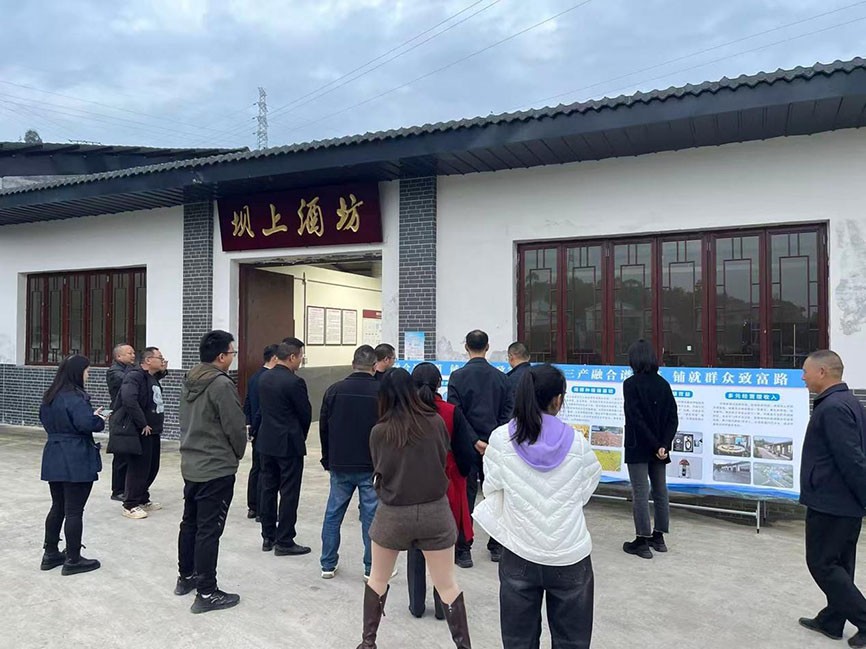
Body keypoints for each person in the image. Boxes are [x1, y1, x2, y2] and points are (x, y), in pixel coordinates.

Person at [473, 364, 601, 649]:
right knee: (572, 642)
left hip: (519, 552)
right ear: (557, 399)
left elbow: (492, 487)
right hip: (570, 554)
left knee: (519, 641)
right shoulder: (578, 443)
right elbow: (586, 489)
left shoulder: (501, 439)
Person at [357, 368, 471, 649]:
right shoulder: (435, 422)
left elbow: (378, 470)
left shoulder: (379, 431)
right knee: (447, 584)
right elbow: (444, 456)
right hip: (435, 512)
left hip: (393, 513)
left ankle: (368, 643)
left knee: (378, 579)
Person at [176, 330, 247, 614]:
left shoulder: (190, 378)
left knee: (190, 523)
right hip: (215, 466)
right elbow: (235, 426)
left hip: (191, 462)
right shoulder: (221, 384)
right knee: (209, 530)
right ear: (221, 356)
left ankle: (186, 576)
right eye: (232, 353)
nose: (233, 357)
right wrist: (237, 453)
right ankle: (206, 592)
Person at [798, 350, 866, 647]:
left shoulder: (834, 408)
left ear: (822, 372)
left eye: (806, 371)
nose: (803, 377)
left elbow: (852, 459)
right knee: (840, 563)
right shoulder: (848, 402)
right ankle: (832, 619)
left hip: (832, 501)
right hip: (842, 501)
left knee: (822, 563)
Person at [407, 362, 476, 620]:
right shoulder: (451, 412)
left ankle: (416, 605)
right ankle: (441, 607)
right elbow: (465, 454)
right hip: (445, 486)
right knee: (441, 549)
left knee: (415, 547)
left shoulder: (403, 413)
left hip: (412, 487)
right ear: (439, 384)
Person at [447, 329, 512, 566]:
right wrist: (492, 439)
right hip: (495, 447)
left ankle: (463, 549)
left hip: (466, 446)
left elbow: (456, 413)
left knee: (465, 497)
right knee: (496, 495)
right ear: (487, 347)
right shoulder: (502, 378)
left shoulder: (457, 377)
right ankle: (496, 546)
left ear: (466, 347)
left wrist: (474, 440)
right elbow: (508, 412)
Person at [39, 355, 106, 575]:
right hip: (76, 455)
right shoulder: (76, 397)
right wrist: (98, 419)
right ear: (77, 372)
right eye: (87, 371)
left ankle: (50, 553)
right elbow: (85, 423)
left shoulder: (50, 396)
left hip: (54, 453)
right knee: (74, 510)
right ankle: (73, 559)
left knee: (58, 505)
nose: (88, 375)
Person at [319, 345, 381, 579]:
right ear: (374, 366)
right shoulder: (382, 392)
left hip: (340, 463)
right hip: (371, 464)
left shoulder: (334, 390)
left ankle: (327, 564)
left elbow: (324, 428)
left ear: (353, 364)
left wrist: (327, 458)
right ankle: (371, 568)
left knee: (333, 514)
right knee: (371, 518)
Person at [621, 339, 679, 559]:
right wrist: (663, 444)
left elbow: (635, 418)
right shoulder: (663, 384)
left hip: (638, 446)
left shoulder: (630, 384)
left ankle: (642, 541)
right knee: (660, 491)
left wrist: (656, 444)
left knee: (640, 492)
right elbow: (673, 418)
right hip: (660, 449)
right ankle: (659, 537)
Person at [257, 338, 312, 556]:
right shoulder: (294, 382)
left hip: (266, 441)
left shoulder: (264, 378)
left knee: (268, 488)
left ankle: (267, 536)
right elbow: (305, 414)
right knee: (289, 492)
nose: (301, 361)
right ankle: (285, 540)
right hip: (288, 443)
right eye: (300, 357)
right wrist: (300, 435)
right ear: (292, 357)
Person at [119, 347, 166, 520]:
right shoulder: (134, 376)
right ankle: (130, 504)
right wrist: (142, 423)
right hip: (141, 430)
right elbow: (129, 400)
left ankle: (142, 498)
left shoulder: (151, 377)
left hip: (154, 430)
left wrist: (163, 369)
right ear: (148, 360)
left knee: (152, 467)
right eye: (159, 357)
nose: (162, 360)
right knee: (139, 468)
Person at [243, 343, 279, 521]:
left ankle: (253, 506)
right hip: (268, 430)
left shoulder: (254, 377)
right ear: (274, 358)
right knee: (267, 471)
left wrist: (249, 425)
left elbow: (248, 403)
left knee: (256, 468)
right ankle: (263, 510)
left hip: (256, 430)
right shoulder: (271, 379)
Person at [106, 342, 136, 501]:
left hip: (130, 417)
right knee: (121, 456)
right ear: (118, 356)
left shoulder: (130, 369)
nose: (133, 355)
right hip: (120, 417)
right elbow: (129, 381)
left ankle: (128, 487)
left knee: (130, 456)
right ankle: (117, 490)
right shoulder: (114, 372)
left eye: (133, 353)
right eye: (129, 353)